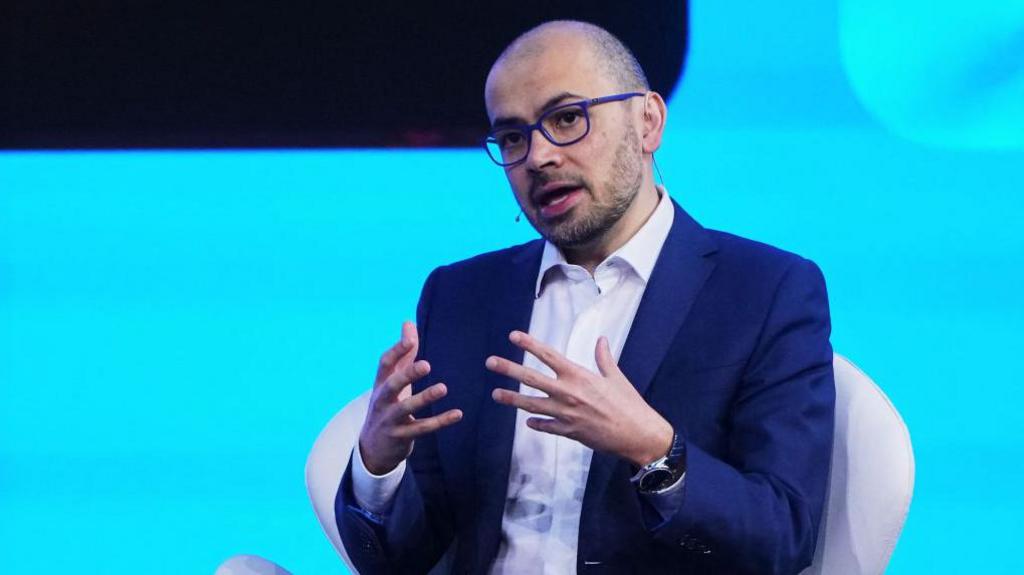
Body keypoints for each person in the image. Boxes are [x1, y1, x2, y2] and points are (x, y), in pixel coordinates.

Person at [336, 20, 835, 575]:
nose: (538, 157)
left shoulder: (766, 291)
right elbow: (397, 562)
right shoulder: (461, 296)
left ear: (647, 121)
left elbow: (784, 535)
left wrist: (655, 450)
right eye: (513, 137)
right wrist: (378, 466)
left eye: (567, 118)